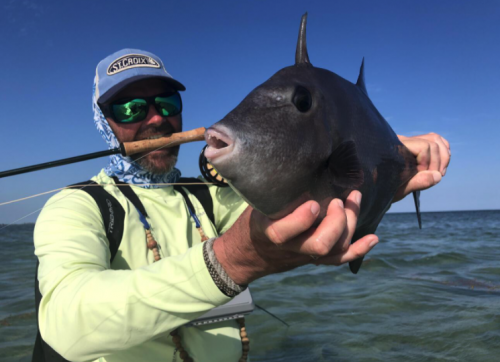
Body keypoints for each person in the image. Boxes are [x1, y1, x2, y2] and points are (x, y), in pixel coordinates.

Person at [33, 49, 451, 362]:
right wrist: (234, 260)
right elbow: (66, 322)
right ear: (102, 121)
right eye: (130, 108)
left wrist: (385, 162)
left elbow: (298, 219)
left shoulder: (205, 200)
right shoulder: (78, 206)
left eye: (167, 103)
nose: (156, 118)